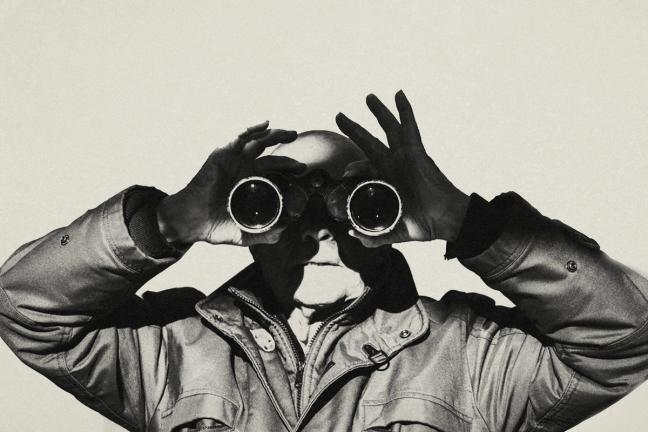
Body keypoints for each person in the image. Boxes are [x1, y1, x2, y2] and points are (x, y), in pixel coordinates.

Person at [1, 91, 647, 432]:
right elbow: (26, 308)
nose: (319, 232)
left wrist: (464, 221)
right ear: (245, 221)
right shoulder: (173, 352)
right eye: (276, 203)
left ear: (391, 216)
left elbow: (625, 337)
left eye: (358, 203)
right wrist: (169, 222)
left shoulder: (469, 360)